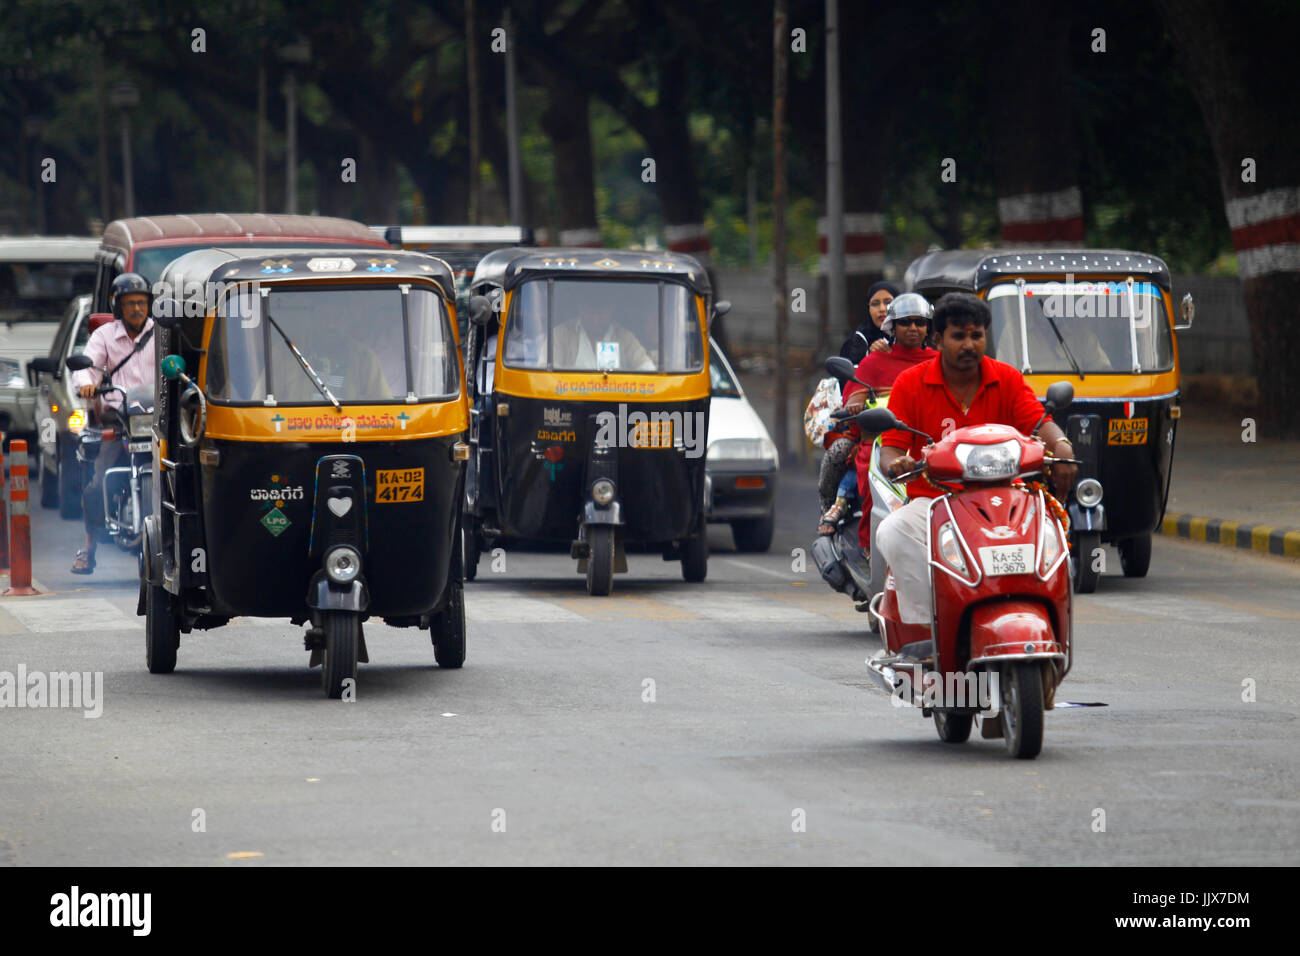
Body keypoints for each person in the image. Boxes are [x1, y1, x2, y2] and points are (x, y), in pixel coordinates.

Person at [874, 292, 1077, 625]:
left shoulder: (1008, 378)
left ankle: (1048, 626)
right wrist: (898, 464)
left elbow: (1040, 423)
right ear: (938, 339)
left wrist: (1064, 447)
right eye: (958, 336)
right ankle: (929, 627)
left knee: (1051, 538)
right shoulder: (910, 383)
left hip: (1007, 502)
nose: (969, 344)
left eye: (976, 335)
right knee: (893, 530)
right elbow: (891, 450)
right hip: (934, 504)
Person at [822, 294, 940, 545]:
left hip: (927, 443)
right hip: (878, 443)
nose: (913, 328)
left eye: (919, 322)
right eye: (905, 322)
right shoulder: (874, 361)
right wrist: (855, 406)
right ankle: (867, 545)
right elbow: (855, 395)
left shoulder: (939, 363)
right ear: (892, 327)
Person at [71, 273, 157, 574]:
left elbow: (178, 365)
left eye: (142, 303)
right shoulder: (104, 336)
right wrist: (86, 384)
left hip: (157, 418)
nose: (137, 309)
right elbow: (86, 367)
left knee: (187, 475)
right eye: (130, 303)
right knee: (96, 480)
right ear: (118, 307)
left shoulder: (162, 333)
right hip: (119, 417)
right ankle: (89, 547)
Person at [551, 302, 654, 371]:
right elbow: (547, 374)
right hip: (571, 401)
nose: (596, 320)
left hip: (617, 402)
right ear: (580, 308)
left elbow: (647, 368)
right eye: (591, 312)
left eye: (601, 313)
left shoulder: (625, 338)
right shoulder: (561, 334)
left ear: (611, 310)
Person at [838, 280, 899, 365]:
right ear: (868, 309)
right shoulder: (857, 341)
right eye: (875, 303)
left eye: (888, 302)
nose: (882, 308)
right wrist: (870, 356)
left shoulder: (910, 336)